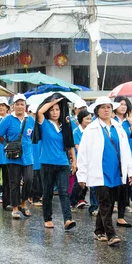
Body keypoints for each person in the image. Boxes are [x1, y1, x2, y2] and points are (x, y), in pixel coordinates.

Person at [77, 97, 132, 246]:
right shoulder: (91, 129)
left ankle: (99, 230)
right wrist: (82, 175)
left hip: (116, 172)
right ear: (97, 111)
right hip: (99, 172)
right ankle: (111, 234)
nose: (106, 110)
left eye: (109, 107)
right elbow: (83, 153)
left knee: (109, 203)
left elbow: (126, 150)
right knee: (105, 203)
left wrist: (130, 170)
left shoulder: (118, 127)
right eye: (102, 107)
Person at [35, 94, 77, 231]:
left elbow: (70, 144)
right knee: (47, 192)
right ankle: (47, 219)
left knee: (64, 192)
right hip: (47, 163)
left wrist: (74, 161)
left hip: (63, 163)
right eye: (52, 109)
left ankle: (68, 219)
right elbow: (39, 112)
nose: (54, 112)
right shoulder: (45, 123)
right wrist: (54, 101)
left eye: (57, 109)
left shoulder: (65, 125)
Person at [0, 94, 35, 219]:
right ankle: (15, 207)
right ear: (13, 106)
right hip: (13, 156)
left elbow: (33, 136)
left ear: (25, 106)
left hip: (27, 156)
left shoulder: (31, 120)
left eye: (22, 104)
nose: (19, 107)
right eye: (17, 104)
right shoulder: (8, 119)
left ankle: (23, 202)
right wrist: (7, 145)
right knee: (14, 182)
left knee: (29, 180)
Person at [112, 96, 132, 227]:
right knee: (113, 184)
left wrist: (131, 122)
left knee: (126, 185)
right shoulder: (111, 120)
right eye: (120, 104)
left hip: (128, 155)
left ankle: (121, 215)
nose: (123, 106)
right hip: (114, 155)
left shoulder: (129, 122)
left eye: (125, 104)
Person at [71, 109, 92, 211]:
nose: (89, 121)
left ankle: (81, 199)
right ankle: (72, 202)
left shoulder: (91, 131)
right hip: (80, 160)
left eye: (90, 119)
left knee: (87, 181)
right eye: (87, 119)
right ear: (81, 119)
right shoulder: (76, 132)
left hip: (90, 160)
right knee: (78, 181)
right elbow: (77, 147)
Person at [28, 104, 43, 207]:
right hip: (31, 153)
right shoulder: (27, 122)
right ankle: (33, 197)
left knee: (40, 176)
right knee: (33, 177)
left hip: (40, 153)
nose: (34, 116)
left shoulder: (41, 124)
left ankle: (37, 195)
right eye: (32, 113)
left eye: (35, 114)